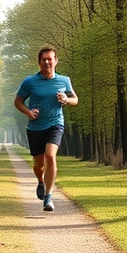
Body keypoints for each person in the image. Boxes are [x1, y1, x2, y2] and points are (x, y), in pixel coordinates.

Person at [14, 46, 78, 211]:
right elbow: (18, 101)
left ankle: (48, 197)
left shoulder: (64, 80)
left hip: (55, 124)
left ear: (56, 61)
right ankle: (41, 181)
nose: (47, 62)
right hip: (35, 128)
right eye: (44, 60)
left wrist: (66, 99)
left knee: (50, 157)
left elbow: (75, 99)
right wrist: (28, 112)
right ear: (39, 62)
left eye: (50, 59)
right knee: (39, 164)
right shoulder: (30, 82)